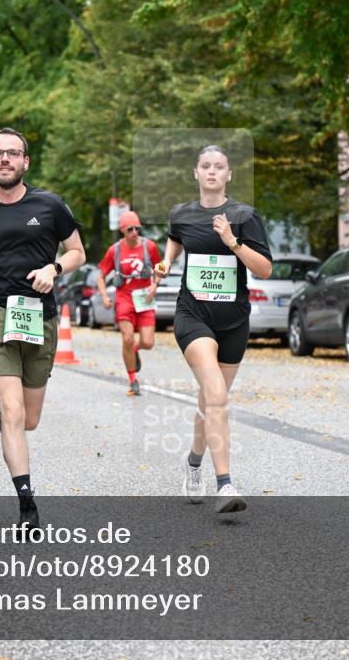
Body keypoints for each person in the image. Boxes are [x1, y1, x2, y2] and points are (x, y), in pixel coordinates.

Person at [0, 127, 86, 534]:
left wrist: (54, 267)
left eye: (13, 153)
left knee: (28, 419)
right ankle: (27, 504)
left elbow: (78, 251)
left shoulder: (50, 205)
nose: (5, 159)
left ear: (26, 162)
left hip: (38, 315)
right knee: (11, 410)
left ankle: (10, 425)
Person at [153, 144, 272, 514]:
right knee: (216, 394)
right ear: (196, 172)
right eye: (205, 166)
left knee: (210, 401)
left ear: (228, 175)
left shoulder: (243, 215)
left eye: (219, 167)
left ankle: (192, 462)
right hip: (193, 315)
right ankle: (226, 484)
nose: (211, 172)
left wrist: (232, 242)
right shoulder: (181, 214)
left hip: (234, 320)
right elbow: (175, 238)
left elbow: (265, 269)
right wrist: (166, 262)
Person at [97, 211, 160, 396]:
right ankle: (133, 380)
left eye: (137, 228)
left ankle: (133, 350)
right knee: (127, 338)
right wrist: (104, 296)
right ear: (123, 230)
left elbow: (161, 267)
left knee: (148, 342)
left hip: (144, 298)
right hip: (124, 297)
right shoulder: (114, 250)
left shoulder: (150, 247)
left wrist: (155, 285)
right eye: (130, 229)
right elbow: (101, 276)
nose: (134, 232)